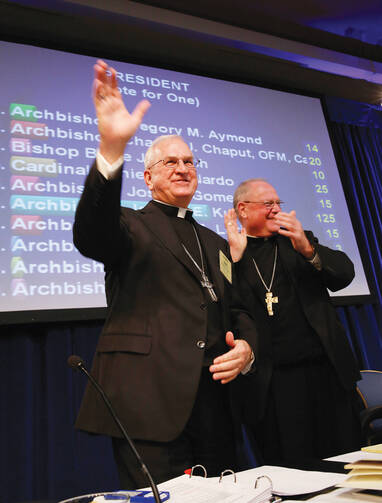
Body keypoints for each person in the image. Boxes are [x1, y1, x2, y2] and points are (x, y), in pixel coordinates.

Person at [73, 60, 257, 489]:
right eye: (170, 162)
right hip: (149, 404)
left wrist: (248, 347)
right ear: (148, 177)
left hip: (216, 408)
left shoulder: (213, 241)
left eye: (189, 161)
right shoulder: (129, 225)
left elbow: (239, 307)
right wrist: (111, 148)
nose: (182, 167)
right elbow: (90, 235)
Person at [224, 178, 361, 470]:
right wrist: (234, 262)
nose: (276, 209)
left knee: (346, 463)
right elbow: (226, 309)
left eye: (278, 203)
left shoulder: (298, 241)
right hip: (274, 387)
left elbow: (344, 275)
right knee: (294, 472)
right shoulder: (229, 255)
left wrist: (308, 249)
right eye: (267, 204)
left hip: (326, 374)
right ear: (243, 210)